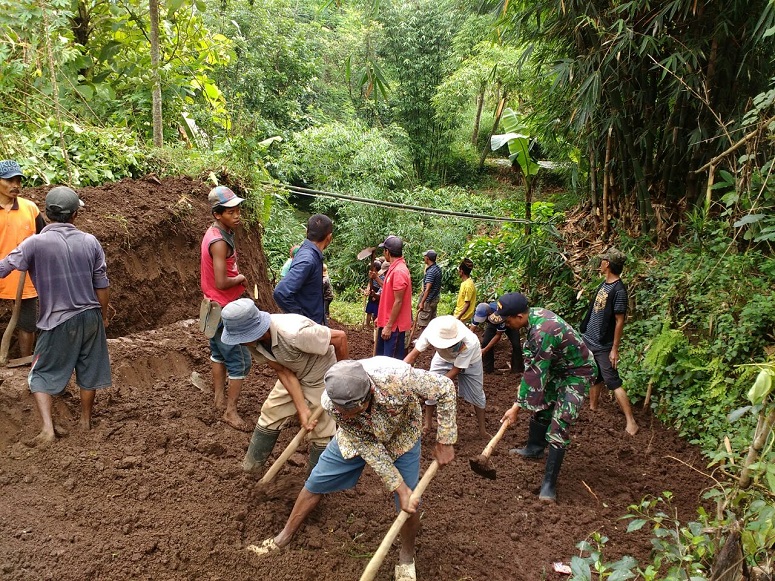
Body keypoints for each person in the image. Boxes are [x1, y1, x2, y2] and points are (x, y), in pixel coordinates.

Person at [245, 356, 457, 581]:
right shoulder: (332, 403)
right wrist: (398, 487)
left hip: (402, 435)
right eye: (341, 411)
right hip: (356, 438)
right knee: (316, 481)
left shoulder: (398, 378)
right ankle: (284, 536)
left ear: (368, 397)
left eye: (350, 410)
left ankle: (406, 557)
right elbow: (370, 448)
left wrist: (445, 439)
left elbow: (444, 387)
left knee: (408, 504)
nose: (343, 415)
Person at [0, 186, 111, 445]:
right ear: (74, 215)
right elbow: (102, 286)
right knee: (88, 370)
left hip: (57, 320)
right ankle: (85, 421)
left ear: (48, 214)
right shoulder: (90, 241)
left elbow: (3, 269)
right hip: (90, 316)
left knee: (39, 375)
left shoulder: (34, 244)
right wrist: (102, 317)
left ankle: (48, 430)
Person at [220, 298, 349, 474]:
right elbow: (283, 371)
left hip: (320, 376)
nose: (239, 342)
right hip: (292, 371)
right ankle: (251, 470)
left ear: (254, 331)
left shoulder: (295, 334)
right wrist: (302, 409)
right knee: (271, 411)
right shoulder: (253, 342)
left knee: (321, 430)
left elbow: (340, 338)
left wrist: (341, 377)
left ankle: (313, 484)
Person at [497, 292, 597, 502]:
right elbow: (533, 370)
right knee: (542, 405)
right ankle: (534, 448)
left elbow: (535, 374)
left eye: (507, 321)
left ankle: (549, 483)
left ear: (519, 316)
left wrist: (516, 408)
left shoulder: (544, 331)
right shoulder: (532, 319)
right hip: (558, 368)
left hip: (578, 373)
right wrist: (523, 401)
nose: (506, 325)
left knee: (560, 422)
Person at [200, 185, 252, 432]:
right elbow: (221, 281)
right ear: (217, 214)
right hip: (224, 308)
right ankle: (230, 411)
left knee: (218, 354)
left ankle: (219, 398)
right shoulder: (220, 242)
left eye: (238, 209)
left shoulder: (213, 233)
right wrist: (240, 279)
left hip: (211, 306)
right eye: (231, 211)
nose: (237, 214)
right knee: (240, 362)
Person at [580, 248, 638, 435]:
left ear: (609, 265)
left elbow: (619, 320)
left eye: (604, 260)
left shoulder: (619, 290)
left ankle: (631, 422)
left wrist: (614, 348)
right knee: (595, 375)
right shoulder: (604, 285)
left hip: (603, 344)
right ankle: (593, 408)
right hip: (590, 339)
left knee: (612, 380)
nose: (601, 262)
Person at [406, 315, 487, 438]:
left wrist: (431, 388)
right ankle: (427, 425)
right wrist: (399, 373)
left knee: (477, 394)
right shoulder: (432, 329)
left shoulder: (469, 342)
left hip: (472, 361)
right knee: (431, 384)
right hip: (442, 357)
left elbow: (455, 371)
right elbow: (413, 355)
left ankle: (482, 431)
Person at [0, 160, 46, 358]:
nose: (15, 185)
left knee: (28, 322)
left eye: (18, 180)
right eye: (9, 180)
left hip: (25, 277)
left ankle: (25, 363)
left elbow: (45, 238)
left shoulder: (30, 209)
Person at [274, 214, 333, 325]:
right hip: (307, 329)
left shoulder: (310, 254)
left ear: (307, 232)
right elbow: (281, 292)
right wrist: (302, 319)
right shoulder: (308, 259)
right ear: (329, 237)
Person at [375, 235, 412, 359]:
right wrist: (381, 318)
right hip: (387, 323)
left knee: (391, 364)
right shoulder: (394, 268)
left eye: (383, 250)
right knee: (382, 360)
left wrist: (389, 325)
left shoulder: (399, 271)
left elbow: (398, 301)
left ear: (387, 252)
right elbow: (389, 296)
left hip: (394, 327)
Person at [471, 302, 524, 375]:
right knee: (485, 342)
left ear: (490, 314)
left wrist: (485, 350)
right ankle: (488, 369)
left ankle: (517, 370)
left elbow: (498, 335)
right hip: (493, 323)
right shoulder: (480, 312)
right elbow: (471, 330)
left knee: (516, 345)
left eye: (484, 318)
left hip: (509, 323)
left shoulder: (500, 314)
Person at [416, 250, 442, 331]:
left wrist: (422, 302)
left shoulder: (431, 272)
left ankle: (424, 341)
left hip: (428, 300)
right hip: (434, 298)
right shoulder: (437, 269)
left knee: (424, 323)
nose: (424, 258)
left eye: (425, 257)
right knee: (431, 322)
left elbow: (427, 289)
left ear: (427, 258)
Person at [453, 258, 476, 323]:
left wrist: (459, 316)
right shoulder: (467, 283)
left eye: (459, 270)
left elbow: (467, 304)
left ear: (461, 271)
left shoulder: (468, 285)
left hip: (462, 316)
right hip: (460, 314)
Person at [363, 259, 382, 329]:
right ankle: (367, 324)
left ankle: (375, 326)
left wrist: (376, 294)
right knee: (369, 310)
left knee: (376, 312)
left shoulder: (381, 276)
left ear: (375, 268)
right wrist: (367, 290)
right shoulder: (372, 275)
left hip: (378, 295)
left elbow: (382, 286)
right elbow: (369, 283)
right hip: (372, 293)